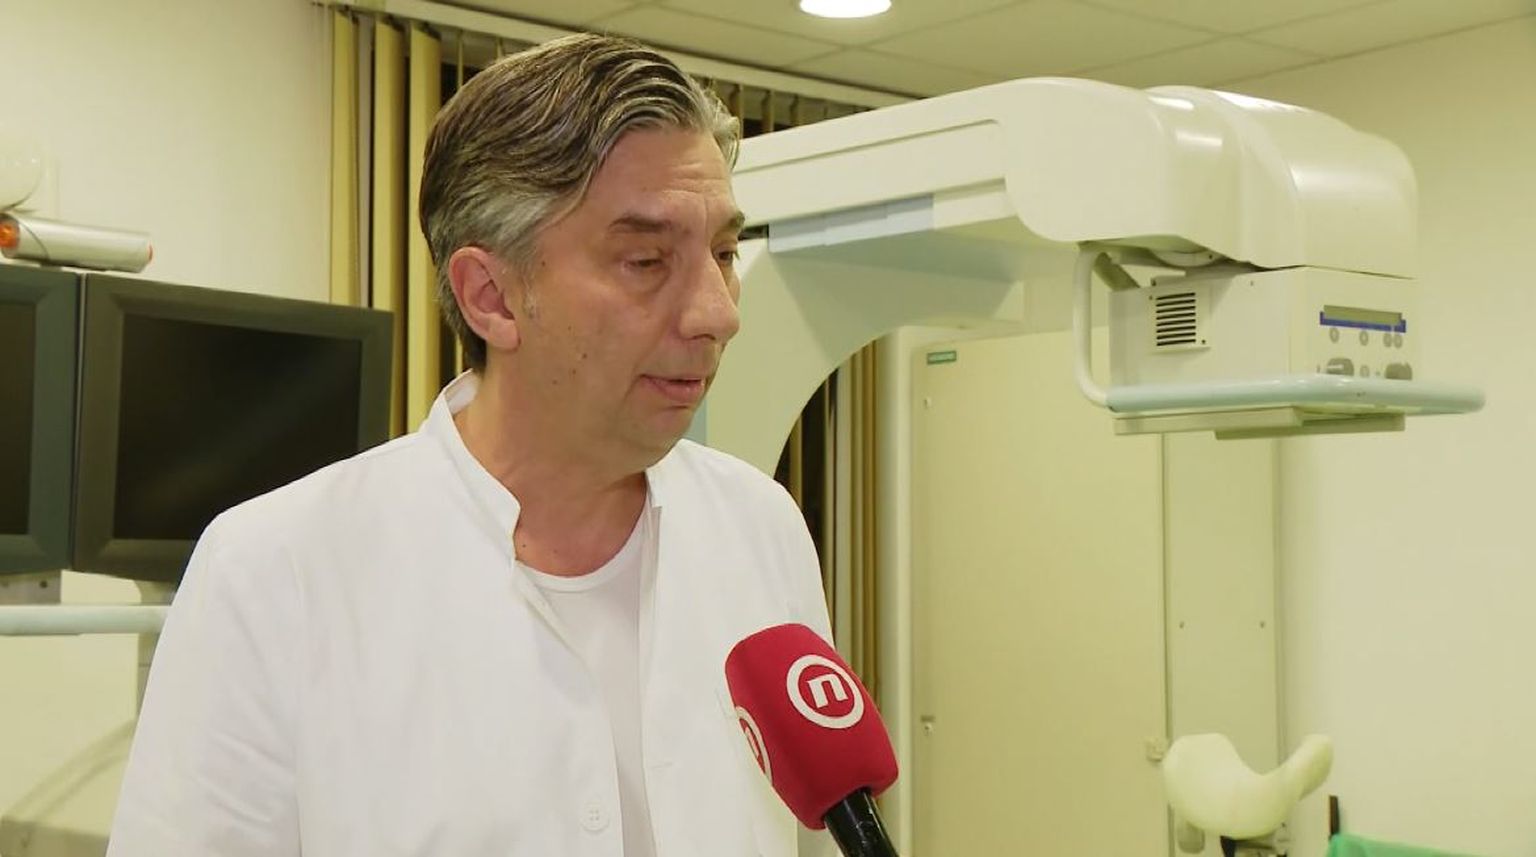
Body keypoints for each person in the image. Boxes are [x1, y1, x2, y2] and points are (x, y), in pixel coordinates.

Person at [107, 33, 833, 857]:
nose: (719, 311)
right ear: (491, 296)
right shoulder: (275, 573)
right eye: (645, 260)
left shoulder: (760, 528)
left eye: (725, 253)